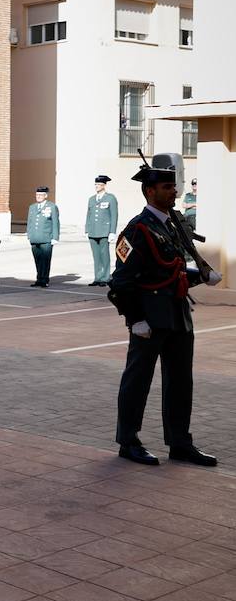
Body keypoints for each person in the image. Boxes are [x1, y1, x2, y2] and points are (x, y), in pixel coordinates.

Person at [109, 164, 221, 467]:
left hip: (178, 312)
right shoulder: (137, 229)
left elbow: (173, 269)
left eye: (174, 187)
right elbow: (120, 282)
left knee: (181, 381)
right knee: (138, 379)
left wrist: (201, 275)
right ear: (150, 191)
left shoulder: (173, 223)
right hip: (149, 316)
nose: (174, 192)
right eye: (167, 187)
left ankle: (180, 442)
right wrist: (135, 320)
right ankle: (128, 440)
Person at [85, 176, 119, 286]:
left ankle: (105, 278)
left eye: (98, 185)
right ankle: (97, 277)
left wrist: (112, 232)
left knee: (104, 255)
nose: (96, 186)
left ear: (104, 185)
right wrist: (87, 229)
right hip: (93, 231)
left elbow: (114, 215)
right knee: (96, 256)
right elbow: (89, 215)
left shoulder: (110, 198)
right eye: (95, 185)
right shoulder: (91, 199)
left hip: (105, 231)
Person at [26, 186, 60, 287]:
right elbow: (30, 222)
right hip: (35, 238)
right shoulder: (32, 207)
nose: (38, 197)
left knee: (45, 260)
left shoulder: (52, 206)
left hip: (46, 238)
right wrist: (29, 234)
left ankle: (44, 280)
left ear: (46, 196)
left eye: (41, 195)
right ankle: (39, 279)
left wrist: (55, 237)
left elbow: (55, 223)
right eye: (37, 195)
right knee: (37, 260)